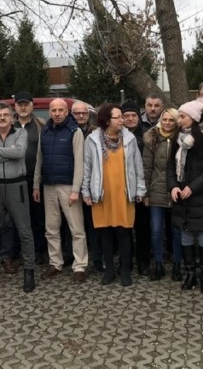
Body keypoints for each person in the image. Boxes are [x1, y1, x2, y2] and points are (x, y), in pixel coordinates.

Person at [82, 104, 145, 286]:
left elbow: (137, 166)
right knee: (105, 233)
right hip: (102, 194)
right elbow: (87, 167)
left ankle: (125, 270)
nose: (122, 120)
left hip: (124, 194)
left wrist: (140, 189)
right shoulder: (92, 140)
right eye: (118, 117)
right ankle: (109, 270)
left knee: (124, 232)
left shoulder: (130, 138)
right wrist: (85, 191)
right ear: (107, 120)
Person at [0, 103, 36, 293]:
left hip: (16, 186)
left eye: (6, 115)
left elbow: (19, 152)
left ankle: (29, 272)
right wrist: (7, 153)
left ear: (12, 118)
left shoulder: (20, 133)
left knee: (24, 230)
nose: (2, 118)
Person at [167, 99, 203, 294]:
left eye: (182, 116)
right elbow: (170, 168)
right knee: (186, 236)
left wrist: (193, 186)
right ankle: (190, 273)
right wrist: (173, 186)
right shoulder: (177, 139)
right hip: (182, 197)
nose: (179, 120)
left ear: (194, 118)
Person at [33, 98, 88, 282]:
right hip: (48, 186)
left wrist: (76, 189)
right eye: (53, 110)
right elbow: (39, 160)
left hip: (68, 187)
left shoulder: (75, 131)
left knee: (77, 229)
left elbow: (80, 162)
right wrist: (36, 184)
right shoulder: (45, 131)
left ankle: (80, 266)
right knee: (51, 228)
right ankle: (55, 262)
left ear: (67, 112)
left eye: (60, 110)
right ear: (50, 112)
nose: (56, 113)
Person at [143, 108, 182, 281]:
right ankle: (158, 263)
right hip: (156, 190)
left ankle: (177, 264)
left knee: (177, 230)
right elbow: (147, 167)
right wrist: (145, 192)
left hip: (176, 191)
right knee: (156, 230)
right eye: (164, 119)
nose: (167, 123)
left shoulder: (182, 139)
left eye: (171, 120)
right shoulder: (152, 138)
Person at [13, 91, 47, 263]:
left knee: (37, 218)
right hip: (14, 181)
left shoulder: (41, 124)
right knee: (17, 218)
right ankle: (19, 252)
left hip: (35, 180)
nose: (23, 107)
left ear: (32, 106)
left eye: (26, 104)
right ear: (15, 106)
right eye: (20, 104)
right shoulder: (9, 125)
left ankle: (39, 251)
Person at [121, 100, 152, 276]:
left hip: (141, 190)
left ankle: (143, 263)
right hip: (122, 190)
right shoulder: (117, 136)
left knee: (142, 228)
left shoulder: (147, 135)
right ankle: (126, 262)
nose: (131, 119)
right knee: (124, 228)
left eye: (134, 115)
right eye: (127, 116)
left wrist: (145, 190)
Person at [72, 101, 102, 272]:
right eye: (77, 113)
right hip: (73, 184)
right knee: (74, 225)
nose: (81, 116)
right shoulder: (68, 130)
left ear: (88, 114)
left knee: (93, 224)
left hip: (92, 184)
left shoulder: (96, 132)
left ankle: (97, 258)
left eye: (83, 113)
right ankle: (73, 257)